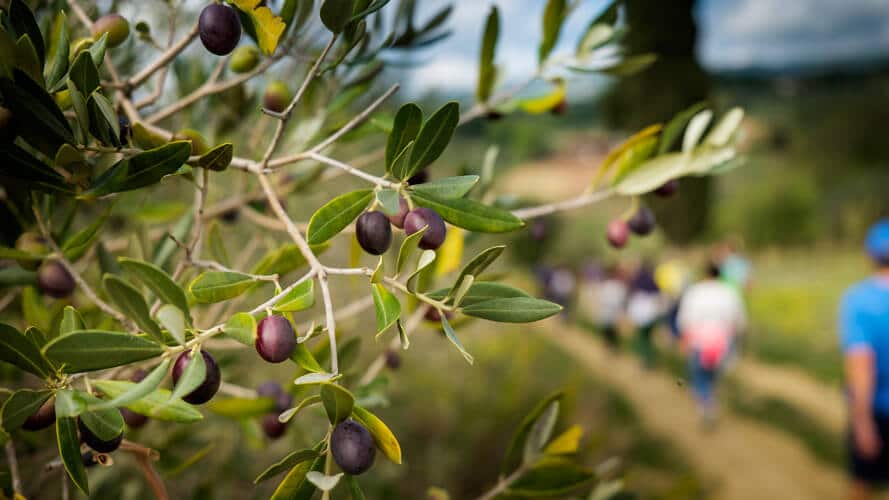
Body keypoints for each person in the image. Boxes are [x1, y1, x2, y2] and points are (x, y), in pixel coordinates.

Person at [840, 219, 889, 500]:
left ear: (870, 254)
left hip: (879, 410)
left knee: (862, 484)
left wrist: (862, 423)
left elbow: (861, 367)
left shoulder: (859, 300)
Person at [677, 262, 747, 425]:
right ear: (720, 274)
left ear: (704, 274)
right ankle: (710, 400)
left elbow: (685, 319)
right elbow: (739, 320)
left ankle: (706, 406)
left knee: (699, 375)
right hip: (723, 341)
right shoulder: (729, 292)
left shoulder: (694, 292)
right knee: (714, 375)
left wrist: (684, 340)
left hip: (698, 342)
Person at [578, 263, 627, 351]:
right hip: (607, 310)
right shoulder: (610, 285)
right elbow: (603, 297)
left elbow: (618, 300)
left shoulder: (616, 286)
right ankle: (607, 344)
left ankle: (610, 344)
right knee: (606, 328)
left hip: (611, 311)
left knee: (610, 329)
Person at [626, 261, 665, 368]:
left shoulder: (637, 279)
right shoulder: (653, 281)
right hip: (651, 314)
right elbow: (659, 296)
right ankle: (648, 359)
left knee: (643, 338)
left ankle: (645, 359)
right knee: (647, 338)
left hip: (641, 314)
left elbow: (631, 293)